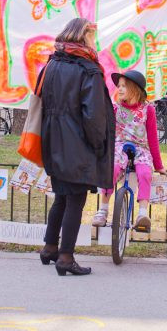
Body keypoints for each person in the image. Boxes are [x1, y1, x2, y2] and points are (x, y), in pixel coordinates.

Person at [39, 18, 115, 276]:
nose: (96, 41)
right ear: (85, 37)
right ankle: (66, 257)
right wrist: (98, 144)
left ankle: (50, 247)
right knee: (76, 198)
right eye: (93, 35)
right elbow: (93, 115)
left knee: (62, 193)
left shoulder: (52, 64)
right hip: (77, 141)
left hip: (52, 137)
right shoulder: (88, 70)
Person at [92, 70, 167, 232]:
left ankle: (142, 213)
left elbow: (153, 139)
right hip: (119, 146)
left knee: (145, 173)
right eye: (119, 86)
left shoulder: (148, 110)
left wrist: (158, 165)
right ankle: (103, 210)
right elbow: (107, 133)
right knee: (111, 170)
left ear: (135, 89)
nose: (119, 89)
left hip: (141, 148)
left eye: (124, 86)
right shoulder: (114, 109)